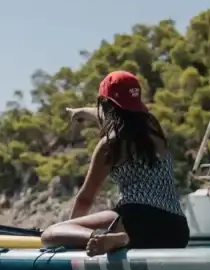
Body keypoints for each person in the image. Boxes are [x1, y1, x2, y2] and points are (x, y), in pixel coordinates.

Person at [41, 70, 189, 255]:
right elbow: (113, 116)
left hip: (135, 225)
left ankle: (110, 238)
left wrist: (71, 233)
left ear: (106, 104)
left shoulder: (111, 144)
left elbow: (86, 198)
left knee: (50, 233)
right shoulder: (154, 130)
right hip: (176, 231)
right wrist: (82, 112)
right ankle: (116, 238)